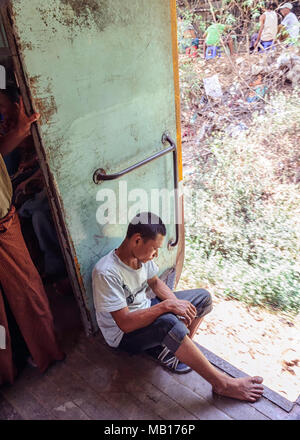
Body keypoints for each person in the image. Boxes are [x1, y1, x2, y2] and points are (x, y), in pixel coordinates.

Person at [92, 212, 264, 403]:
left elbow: (156, 283)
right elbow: (125, 324)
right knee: (168, 323)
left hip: (146, 311)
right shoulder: (106, 273)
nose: (156, 254)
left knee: (202, 298)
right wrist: (167, 307)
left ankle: (172, 350)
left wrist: (178, 305)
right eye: (155, 249)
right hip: (124, 336)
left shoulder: (140, 258)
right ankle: (221, 384)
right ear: (137, 240)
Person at [0, 90, 64, 385]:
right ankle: (12, 366)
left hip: (5, 220)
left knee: (26, 292)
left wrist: (19, 131)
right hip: (3, 222)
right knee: (25, 292)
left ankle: (34, 353)